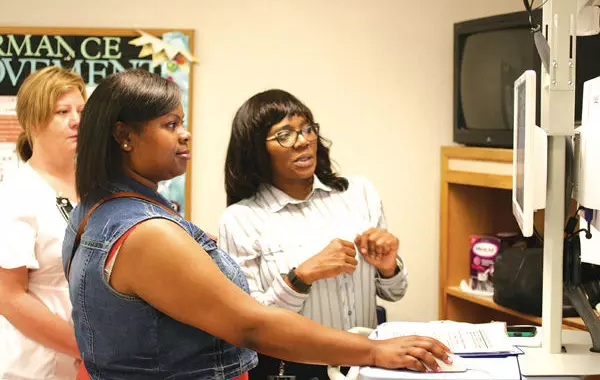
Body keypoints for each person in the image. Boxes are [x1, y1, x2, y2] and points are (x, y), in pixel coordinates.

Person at [63, 69, 450, 380]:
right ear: (124, 137)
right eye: (170, 124)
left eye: (182, 122)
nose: (185, 134)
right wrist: (374, 350)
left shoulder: (93, 210)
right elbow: (251, 326)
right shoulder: (149, 232)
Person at [219, 89, 408, 379]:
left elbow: (394, 292)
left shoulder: (359, 193)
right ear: (255, 149)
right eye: (285, 135)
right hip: (291, 371)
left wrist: (388, 267)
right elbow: (251, 327)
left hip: (366, 366)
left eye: (307, 129)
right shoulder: (240, 220)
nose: (303, 141)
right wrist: (301, 278)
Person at [0, 66, 86, 379]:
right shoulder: (15, 194)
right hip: (35, 366)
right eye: (62, 112)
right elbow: (9, 297)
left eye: (81, 111)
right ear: (33, 121)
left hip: (90, 362)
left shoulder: (95, 189)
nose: (76, 120)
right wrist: (84, 350)